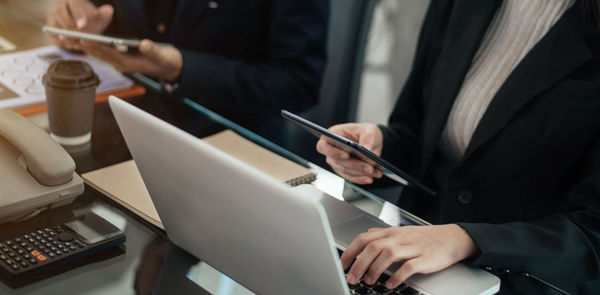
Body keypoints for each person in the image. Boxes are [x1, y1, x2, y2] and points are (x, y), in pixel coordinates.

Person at [317, 0, 600, 294]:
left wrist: (466, 239)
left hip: (521, 283)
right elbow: (417, 134)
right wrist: (377, 148)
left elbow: (593, 232)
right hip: (414, 265)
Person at [46, 0, 328, 142]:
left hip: (224, 144)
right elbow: (102, 9)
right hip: (117, 127)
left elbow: (298, 82)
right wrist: (76, 16)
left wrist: (183, 69)